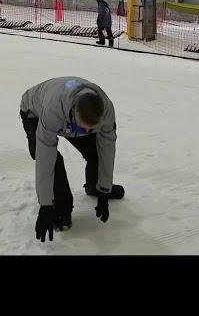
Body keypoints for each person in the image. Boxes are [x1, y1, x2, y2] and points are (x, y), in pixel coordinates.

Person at [20, 77, 125, 243]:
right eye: (83, 128)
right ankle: (61, 208)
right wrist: (46, 205)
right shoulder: (53, 111)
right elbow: (45, 158)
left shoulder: (106, 111)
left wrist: (104, 190)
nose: (87, 131)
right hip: (35, 112)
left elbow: (107, 148)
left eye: (92, 129)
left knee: (96, 151)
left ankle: (94, 187)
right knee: (53, 160)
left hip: (70, 115)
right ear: (75, 113)